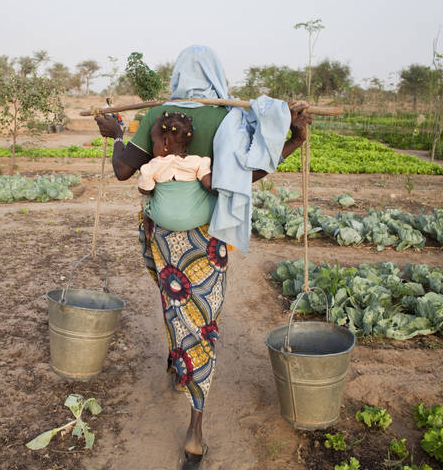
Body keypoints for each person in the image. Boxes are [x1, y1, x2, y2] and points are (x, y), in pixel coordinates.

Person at [95, 45, 311, 469]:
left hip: (164, 238)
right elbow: (248, 175)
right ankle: (195, 427)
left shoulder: (160, 115)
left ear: (177, 75)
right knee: (201, 317)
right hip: (207, 241)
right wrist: (293, 140)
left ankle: (180, 369)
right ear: (216, 75)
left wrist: (116, 134)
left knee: (174, 303)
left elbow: (125, 170)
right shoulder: (230, 117)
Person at [137, 111, 214, 246]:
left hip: (162, 218)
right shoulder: (197, 162)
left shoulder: (154, 165)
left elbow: (145, 190)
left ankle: (147, 220)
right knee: (212, 197)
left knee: (145, 201)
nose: (152, 146)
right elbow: (210, 185)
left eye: (153, 141)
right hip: (195, 218)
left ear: (165, 142)